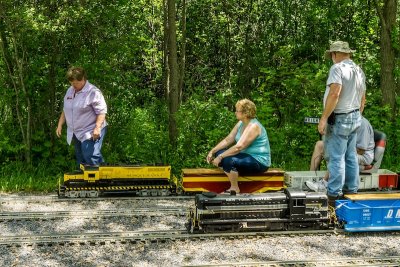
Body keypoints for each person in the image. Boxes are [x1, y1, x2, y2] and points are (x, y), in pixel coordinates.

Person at [318, 41, 366, 204]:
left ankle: (333, 194)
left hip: (340, 117)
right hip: (354, 116)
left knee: (336, 157)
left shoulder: (337, 69)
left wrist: (324, 118)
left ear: (336, 54)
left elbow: (334, 94)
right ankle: (352, 190)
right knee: (350, 155)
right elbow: (363, 97)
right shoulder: (358, 70)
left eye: (332, 54)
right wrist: (358, 115)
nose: (331, 57)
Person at [206, 99, 271, 195]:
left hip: (259, 161)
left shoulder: (254, 126)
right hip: (244, 156)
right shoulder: (241, 123)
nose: (235, 112)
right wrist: (213, 151)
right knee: (219, 152)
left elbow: (239, 147)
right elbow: (228, 140)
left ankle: (234, 188)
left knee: (228, 160)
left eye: (237, 110)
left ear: (245, 113)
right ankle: (231, 170)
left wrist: (221, 157)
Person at [56, 67, 108, 167]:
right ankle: (85, 180)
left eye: (76, 83)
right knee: (80, 158)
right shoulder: (70, 91)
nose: (73, 86)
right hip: (76, 131)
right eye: (71, 83)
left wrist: (97, 128)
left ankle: (103, 177)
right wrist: (60, 124)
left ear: (83, 79)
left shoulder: (93, 92)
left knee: (90, 155)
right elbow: (66, 109)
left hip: (91, 129)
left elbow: (101, 112)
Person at [307, 116, 375, 192]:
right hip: (352, 150)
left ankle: (324, 183)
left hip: (364, 156)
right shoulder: (349, 121)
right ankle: (310, 177)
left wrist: (339, 149)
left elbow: (361, 150)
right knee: (320, 145)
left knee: (338, 154)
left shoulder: (363, 124)